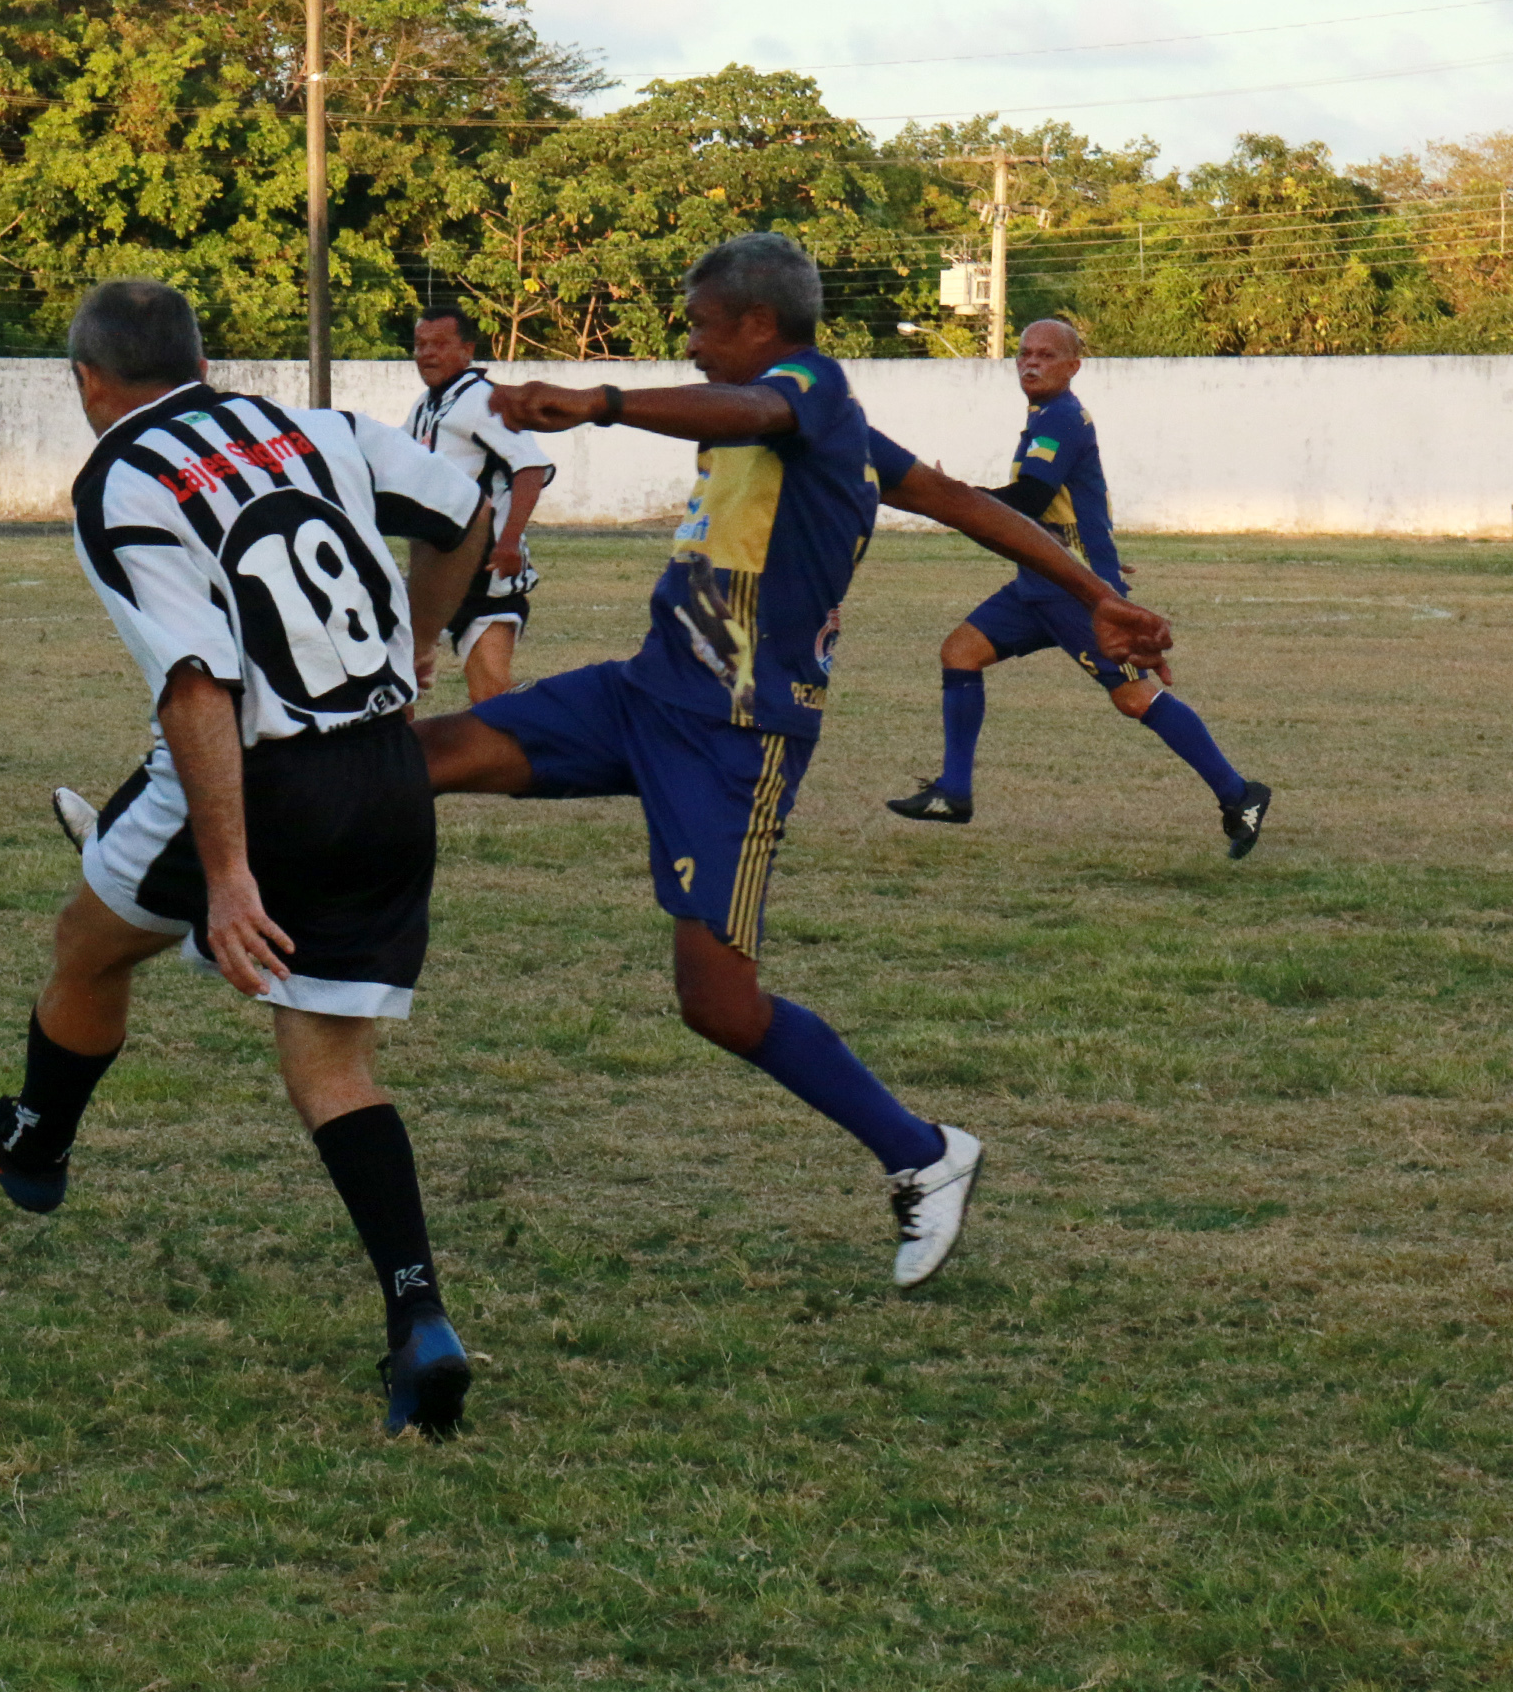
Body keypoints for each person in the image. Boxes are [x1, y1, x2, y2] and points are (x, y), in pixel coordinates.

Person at [414, 234, 1165, 1291]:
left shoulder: (805, 385)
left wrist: (601, 402)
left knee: (719, 1003)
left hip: (736, 736)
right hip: (643, 695)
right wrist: (1094, 589)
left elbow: (764, 412)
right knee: (420, 754)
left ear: (759, 327)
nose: (689, 341)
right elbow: (965, 501)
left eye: (700, 324)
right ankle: (194, 877)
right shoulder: (833, 427)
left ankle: (924, 1151)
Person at [0, 277, 496, 1438]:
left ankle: (37, 1143)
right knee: (333, 1068)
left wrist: (229, 874)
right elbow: (462, 507)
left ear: (89, 380)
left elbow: (197, 680)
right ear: (196, 357)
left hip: (249, 779)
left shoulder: (119, 476)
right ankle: (419, 1315)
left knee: (87, 941)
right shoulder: (312, 425)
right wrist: (418, 640)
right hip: (388, 765)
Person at [886, 318, 1272, 858]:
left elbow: (1028, 501)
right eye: (1023, 353)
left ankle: (1240, 795)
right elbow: (1075, 504)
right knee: (961, 651)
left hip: (1075, 591)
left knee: (1136, 697)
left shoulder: (1061, 419)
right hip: (1037, 584)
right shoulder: (1046, 415)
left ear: (1074, 365)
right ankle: (953, 791)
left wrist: (951, 495)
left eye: (1046, 355)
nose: (1031, 362)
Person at [404, 306, 556, 703]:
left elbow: (531, 468)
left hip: (484, 571)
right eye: (420, 344)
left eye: (439, 344)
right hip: (437, 568)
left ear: (468, 350)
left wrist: (509, 541)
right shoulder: (426, 405)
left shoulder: (484, 401)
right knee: (396, 679)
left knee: (490, 695)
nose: (427, 354)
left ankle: (554, 736)